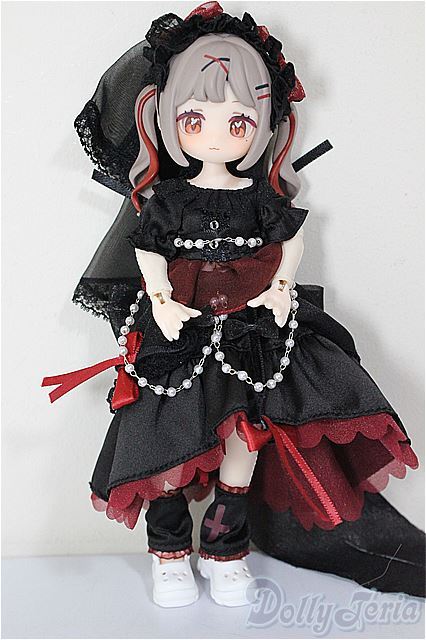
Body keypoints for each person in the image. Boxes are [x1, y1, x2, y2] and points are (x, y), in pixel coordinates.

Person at [42, 2, 419, 608]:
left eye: (238, 121)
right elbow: (147, 249)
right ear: (166, 117)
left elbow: (291, 239)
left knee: (244, 440)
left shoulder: (259, 196)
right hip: (180, 332)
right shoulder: (168, 200)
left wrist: (281, 287)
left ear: (266, 125)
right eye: (195, 118)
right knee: (167, 438)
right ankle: (169, 554)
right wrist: (159, 300)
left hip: (253, 332)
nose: (216, 134)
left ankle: (225, 551)